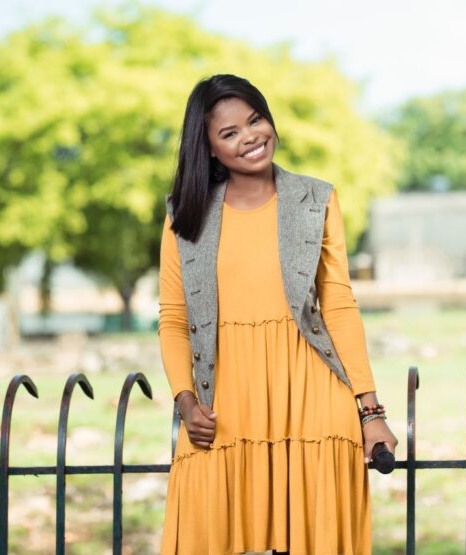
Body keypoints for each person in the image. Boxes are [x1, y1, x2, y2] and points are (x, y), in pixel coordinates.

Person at [157, 73, 398, 555]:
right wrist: (186, 402)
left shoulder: (317, 199)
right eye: (229, 133)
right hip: (224, 403)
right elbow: (173, 316)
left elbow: (338, 303)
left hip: (312, 398)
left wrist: (370, 412)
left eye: (255, 120)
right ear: (207, 149)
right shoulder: (186, 212)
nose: (250, 137)